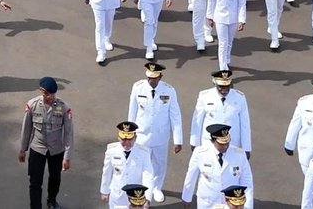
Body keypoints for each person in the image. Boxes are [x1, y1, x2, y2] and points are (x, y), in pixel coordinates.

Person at [126, 62, 182, 202]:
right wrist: (129, 133)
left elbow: (175, 116)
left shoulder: (169, 90)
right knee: (139, 163)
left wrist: (178, 140)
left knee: (159, 163)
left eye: (154, 78)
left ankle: (156, 187)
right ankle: (140, 188)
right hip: (141, 135)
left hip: (160, 135)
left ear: (160, 77)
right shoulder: (138, 87)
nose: (151, 80)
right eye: (149, 77)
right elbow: (132, 111)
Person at [19, 76, 74, 209]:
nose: (51, 97)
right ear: (41, 91)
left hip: (56, 150)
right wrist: (23, 149)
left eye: (53, 94)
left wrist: (67, 157)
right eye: (48, 94)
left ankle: (52, 201)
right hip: (37, 148)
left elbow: (68, 133)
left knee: (55, 178)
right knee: (35, 181)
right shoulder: (32, 105)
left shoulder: (63, 107)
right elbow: (26, 128)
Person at [181, 123, 252, 207]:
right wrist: (186, 197)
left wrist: (248, 206)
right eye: (221, 144)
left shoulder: (239, 154)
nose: (225, 146)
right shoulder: (200, 153)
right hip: (207, 203)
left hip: (230, 204)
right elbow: (191, 176)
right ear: (212, 141)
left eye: (227, 143)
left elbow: (247, 181)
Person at [189, 68, 252, 157]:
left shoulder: (239, 97)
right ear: (215, 83)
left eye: (227, 86)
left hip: (231, 144)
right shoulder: (205, 96)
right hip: (210, 143)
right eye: (221, 86)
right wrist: (194, 143)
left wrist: (246, 147)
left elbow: (245, 124)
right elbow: (197, 121)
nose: (224, 89)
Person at [99, 121, 154, 209]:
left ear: (135, 138)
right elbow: (107, 173)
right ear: (118, 138)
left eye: (129, 139)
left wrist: (147, 198)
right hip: (117, 196)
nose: (126, 142)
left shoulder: (144, 153)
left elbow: (148, 176)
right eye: (123, 139)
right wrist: (104, 191)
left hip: (136, 198)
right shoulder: (111, 151)